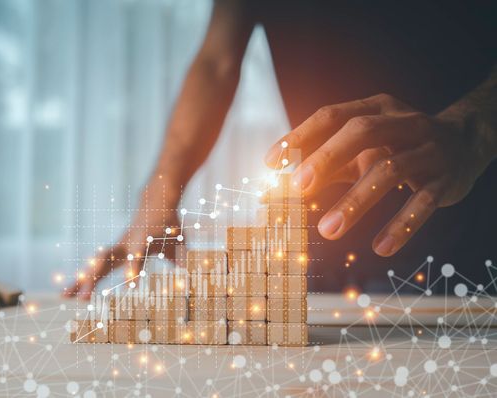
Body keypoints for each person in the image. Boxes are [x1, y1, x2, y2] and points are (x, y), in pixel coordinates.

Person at [69, 0, 497, 298]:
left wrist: (473, 129)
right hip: (323, 221)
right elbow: (216, 60)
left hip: (470, 208)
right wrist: (158, 195)